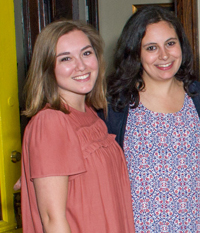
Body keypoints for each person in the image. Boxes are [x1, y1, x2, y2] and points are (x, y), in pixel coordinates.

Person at [103, 6, 200, 232]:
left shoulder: (197, 95)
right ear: (135, 52)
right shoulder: (116, 102)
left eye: (170, 43)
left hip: (195, 225)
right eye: (151, 48)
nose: (164, 55)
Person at [20, 20, 135, 232]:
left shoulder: (92, 115)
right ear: (47, 68)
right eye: (66, 58)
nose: (81, 65)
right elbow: (52, 220)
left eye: (86, 53)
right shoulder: (50, 123)